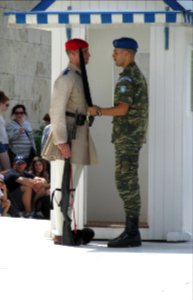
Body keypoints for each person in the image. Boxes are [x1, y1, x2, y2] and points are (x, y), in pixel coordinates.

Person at [88, 37, 148, 248]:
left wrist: (97, 111)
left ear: (127, 54)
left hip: (128, 138)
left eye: (117, 51)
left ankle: (132, 233)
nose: (113, 55)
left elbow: (122, 110)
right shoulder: (134, 76)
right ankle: (132, 232)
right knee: (128, 181)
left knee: (126, 183)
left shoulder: (128, 79)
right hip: (131, 137)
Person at [42, 38, 97, 245]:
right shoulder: (66, 78)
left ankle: (65, 227)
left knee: (71, 187)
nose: (89, 56)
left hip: (79, 135)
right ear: (74, 54)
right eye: (85, 52)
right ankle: (59, 230)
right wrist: (62, 142)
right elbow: (56, 112)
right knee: (60, 186)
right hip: (68, 138)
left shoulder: (78, 76)